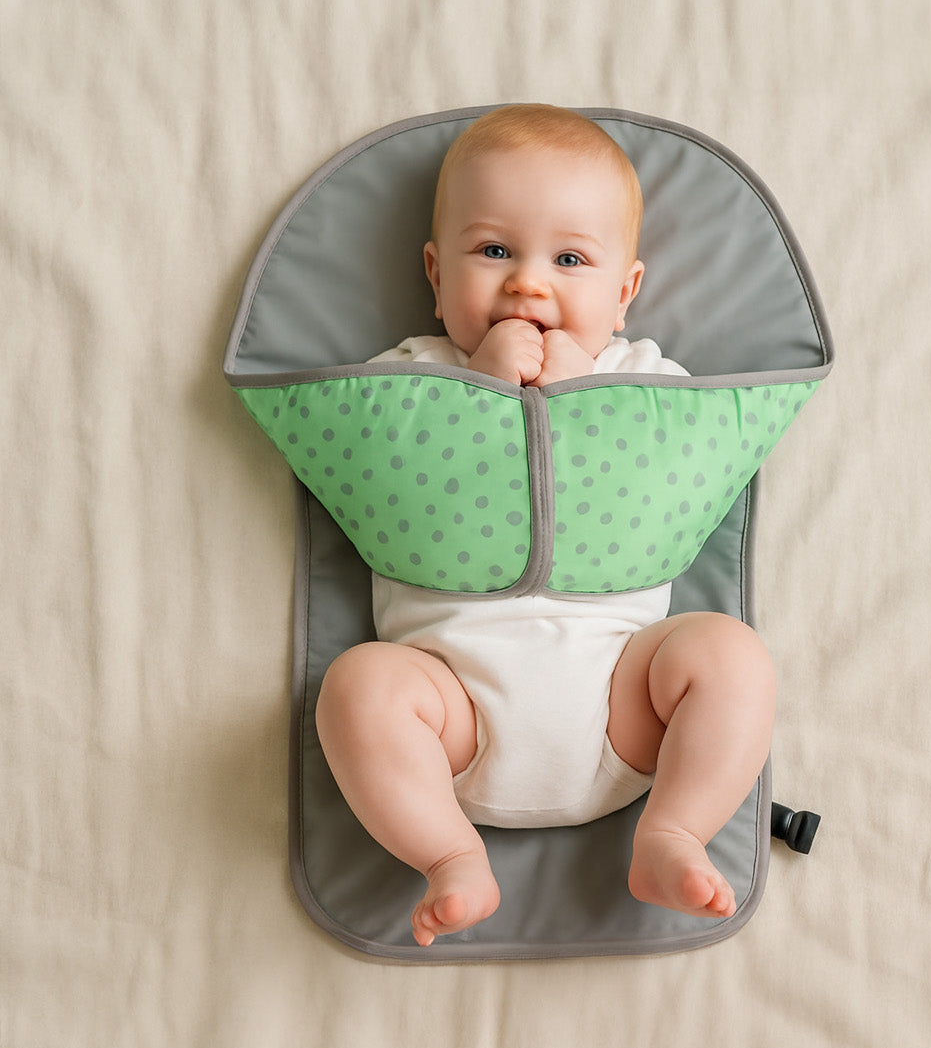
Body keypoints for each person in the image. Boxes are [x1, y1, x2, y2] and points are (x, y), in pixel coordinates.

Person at [315, 105, 776, 946]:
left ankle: (672, 830)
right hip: (449, 713)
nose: (528, 284)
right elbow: (379, 452)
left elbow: (676, 462)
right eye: (493, 252)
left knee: (732, 659)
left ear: (625, 292)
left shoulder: (642, 374)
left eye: (570, 260)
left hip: (624, 699)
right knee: (357, 688)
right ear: (434, 270)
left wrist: (583, 394)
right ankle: (450, 854)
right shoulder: (414, 371)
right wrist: (481, 391)